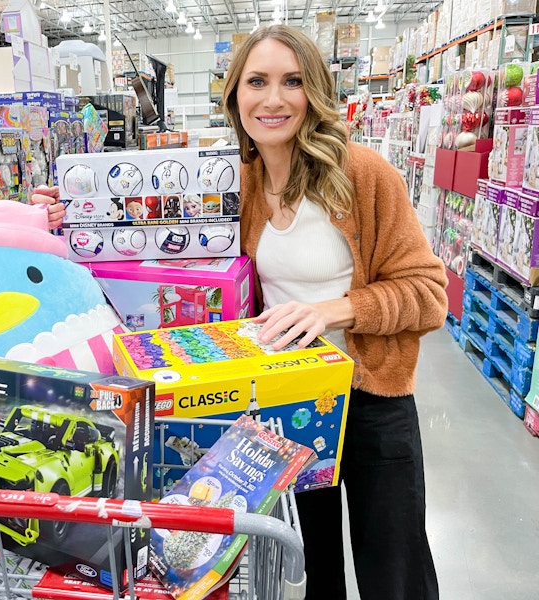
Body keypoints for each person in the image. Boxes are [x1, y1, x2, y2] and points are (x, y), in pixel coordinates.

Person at [32, 24, 447, 600]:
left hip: (375, 401)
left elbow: (429, 293)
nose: (273, 99)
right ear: (235, 96)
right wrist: (73, 214)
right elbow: (159, 236)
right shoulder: (237, 183)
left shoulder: (364, 175)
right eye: (257, 82)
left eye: (292, 82)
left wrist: (335, 309)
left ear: (315, 92)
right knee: (312, 562)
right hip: (295, 402)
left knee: (394, 568)